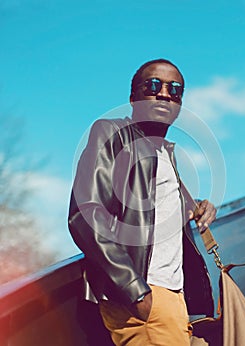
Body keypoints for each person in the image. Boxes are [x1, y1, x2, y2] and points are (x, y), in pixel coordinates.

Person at [68, 58, 217, 346]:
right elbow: (85, 214)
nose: (164, 94)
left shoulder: (165, 155)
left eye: (175, 90)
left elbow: (150, 210)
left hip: (175, 299)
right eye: (153, 85)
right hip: (145, 297)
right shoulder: (112, 132)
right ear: (133, 97)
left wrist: (194, 204)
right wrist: (136, 292)